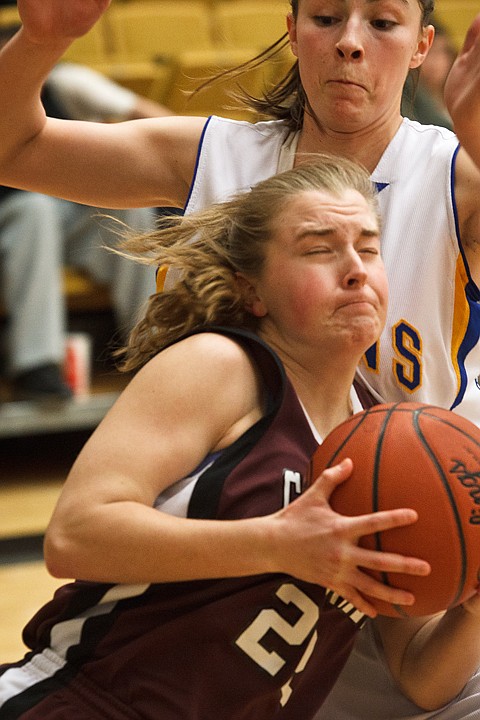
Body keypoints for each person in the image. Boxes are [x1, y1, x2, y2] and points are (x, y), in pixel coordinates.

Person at [0, 0, 479, 715]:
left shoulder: (452, 174)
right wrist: (40, 42)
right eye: (325, 16)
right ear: (291, 29)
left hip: (411, 548)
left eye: (382, 22)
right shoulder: (218, 157)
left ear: (422, 46)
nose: (350, 43)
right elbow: (13, 149)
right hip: (240, 557)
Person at [0, 55, 173, 400]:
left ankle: (152, 347)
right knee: (35, 209)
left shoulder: (65, 81)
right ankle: (37, 365)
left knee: (132, 208)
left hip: (68, 215)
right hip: (16, 222)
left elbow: (153, 121)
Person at [401, 16, 456, 129]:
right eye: (430, 53)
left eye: (441, 52)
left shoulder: (459, 94)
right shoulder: (408, 101)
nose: (435, 62)